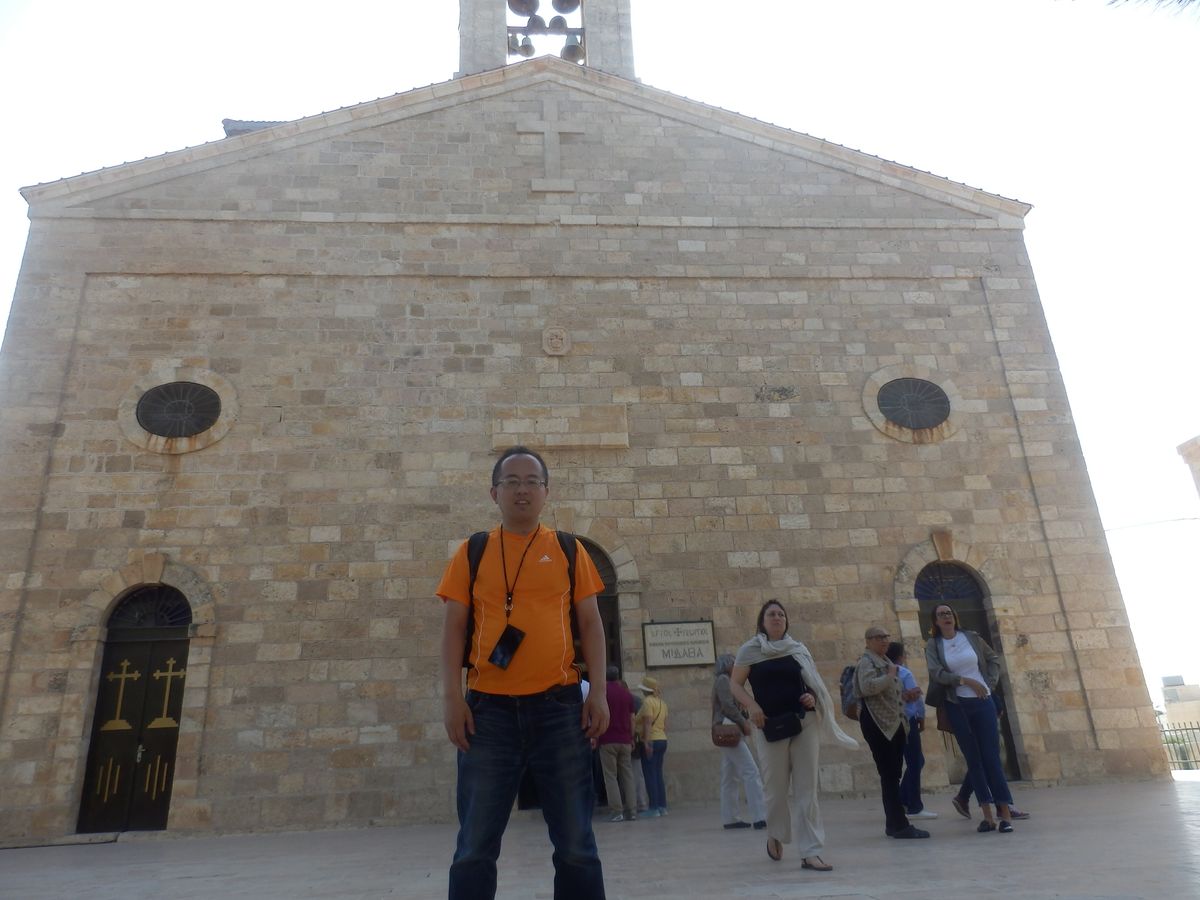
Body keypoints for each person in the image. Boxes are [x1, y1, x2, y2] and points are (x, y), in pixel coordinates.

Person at [439, 445, 611, 900]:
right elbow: (453, 628)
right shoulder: (472, 552)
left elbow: (591, 624)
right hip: (488, 714)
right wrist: (452, 698)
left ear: (546, 492)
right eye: (511, 482)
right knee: (474, 845)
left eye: (532, 482)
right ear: (493, 492)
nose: (522, 490)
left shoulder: (569, 550)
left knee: (576, 845)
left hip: (559, 709)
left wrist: (598, 693)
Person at [731, 600, 858, 871]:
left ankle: (811, 851)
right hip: (769, 726)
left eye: (781, 614)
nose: (777, 617)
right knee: (775, 790)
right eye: (771, 614)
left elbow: (812, 682)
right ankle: (775, 833)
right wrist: (752, 706)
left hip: (804, 721)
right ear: (762, 621)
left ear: (786, 620)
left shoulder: (798, 649)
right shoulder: (750, 650)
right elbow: (735, 684)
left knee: (806, 789)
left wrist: (811, 696)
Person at [925, 603, 1015, 834]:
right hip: (957, 704)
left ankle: (1005, 814)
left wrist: (988, 683)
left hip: (983, 702)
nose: (946, 616)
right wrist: (964, 681)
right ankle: (987, 817)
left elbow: (993, 659)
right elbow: (936, 673)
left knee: (991, 758)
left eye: (949, 612)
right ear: (935, 621)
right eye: (941, 614)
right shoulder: (934, 645)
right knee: (974, 760)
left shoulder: (971, 637)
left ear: (954, 616)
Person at [856, 627, 930, 840]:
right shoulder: (867, 662)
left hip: (893, 725)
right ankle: (899, 825)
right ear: (868, 641)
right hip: (878, 725)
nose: (884, 640)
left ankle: (894, 823)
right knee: (889, 775)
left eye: (886, 637)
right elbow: (867, 687)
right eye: (879, 637)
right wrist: (889, 676)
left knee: (893, 775)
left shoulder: (884, 661)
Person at [712, 653, 767, 830]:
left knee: (729, 775)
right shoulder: (723, 680)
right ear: (727, 664)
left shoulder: (729, 680)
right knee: (751, 771)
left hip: (729, 728)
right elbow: (727, 706)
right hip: (729, 727)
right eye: (733, 662)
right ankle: (760, 816)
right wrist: (743, 722)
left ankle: (730, 818)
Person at [885, 641, 936, 820]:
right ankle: (914, 806)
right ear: (900, 656)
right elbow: (917, 698)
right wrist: (921, 717)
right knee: (915, 761)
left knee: (914, 761)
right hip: (908, 721)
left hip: (892, 723)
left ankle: (902, 800)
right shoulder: (904, 672)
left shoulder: (883, 673)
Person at [598, 665, 637, 822]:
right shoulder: (627, 695)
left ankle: (617, 811)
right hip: (625, 739)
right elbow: (632, 718)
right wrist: (631, 737)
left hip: (608, 739)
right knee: (627, 776)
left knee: (611, 777)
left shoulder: (603, 693)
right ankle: (632, 810)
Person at [635, 676, 669, 817]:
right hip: (662, 739)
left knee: (650, 774)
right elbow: (665, 725)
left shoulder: (647, 702)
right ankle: (662, 806)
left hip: (651, 740)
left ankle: (654, 807)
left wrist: (646, 742)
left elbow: (647, 722)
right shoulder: (662, 703)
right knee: (658, 774)